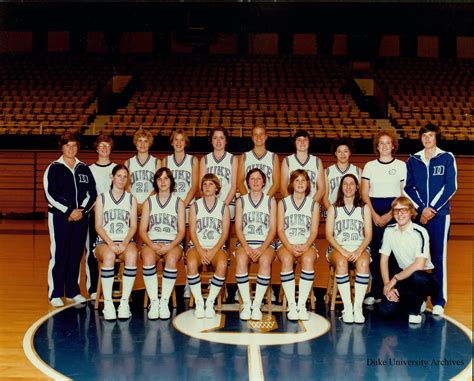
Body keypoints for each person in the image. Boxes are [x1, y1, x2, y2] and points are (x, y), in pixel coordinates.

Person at [404, 124, 457, 315]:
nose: (427, 139)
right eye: (424, 136)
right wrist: (421, 209)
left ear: (436, 137)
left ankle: (438, 301)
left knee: (438, 257)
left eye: (431, 135)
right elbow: (408, 188)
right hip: (418, 216)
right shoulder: (413, 160)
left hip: (440, 216)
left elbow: (450, 186)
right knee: (418, 258)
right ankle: (419, 299)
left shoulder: (447, 158)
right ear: (420, 139)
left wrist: (432, 209)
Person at [44, 132, 97, 307]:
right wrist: (68, 211)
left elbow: (92, 193)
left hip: (81, 217)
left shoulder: (84, 168)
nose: (71, 149)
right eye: (68, 145)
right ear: (62, 147)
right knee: (60, 254)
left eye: (74, 145)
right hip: (60, 218)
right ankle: (56, 292)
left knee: (76, 254)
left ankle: (73, 291)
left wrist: (81, 210)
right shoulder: (53, 168)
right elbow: (50, 195)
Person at [361, 130, 406, 305]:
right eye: (382, 143)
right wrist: (373, 214)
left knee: (393, 252)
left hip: (395, 210)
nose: (385, 146)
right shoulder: (370, 166)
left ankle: (394, 290)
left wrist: (390, 214)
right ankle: (376, 291)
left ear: (393, 146)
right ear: (377, 146)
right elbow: (364, 192)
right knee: (376, 252)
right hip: (373, 209)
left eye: (388, 143)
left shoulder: (401, 165)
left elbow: (403, 193)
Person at [378, 197, 438, 324]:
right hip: (404, 277)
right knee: (385, 310)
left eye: (404, 210)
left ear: (411, 212)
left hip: (425, 279)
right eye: (396, 210)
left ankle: (416, 309)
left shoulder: (420, 232)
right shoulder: (389, 231)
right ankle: (412, 301)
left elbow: (419, 265)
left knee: (417, 277)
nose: (400, 214)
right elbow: (383, 259)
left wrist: (394, 279)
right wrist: (387, 285)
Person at [139, 167, 185, 320]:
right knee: (147, 258)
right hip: (152, 243)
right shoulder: (149, 202)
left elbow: (181, 231)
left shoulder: (179, 202)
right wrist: (152, 245)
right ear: (156, 182)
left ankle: (164, 301)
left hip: (172, 243)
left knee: (171, 259)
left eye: (166, 178)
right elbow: (142, 230)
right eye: (159, 179)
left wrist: (169, 246)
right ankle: (154, 301)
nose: (163, 182)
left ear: (171, 181)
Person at [325, 174, 372, 323]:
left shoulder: (364, 208)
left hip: (360, 247)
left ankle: (357, 308)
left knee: (364, 263)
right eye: (345, 184)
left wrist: (358, 251)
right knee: (341, 263)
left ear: (357, 187)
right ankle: (347, 307)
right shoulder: (334, 208)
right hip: (338, 248)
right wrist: (343, 251)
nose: (349, 187)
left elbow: (369, 235)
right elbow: (329, 235)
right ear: (341, 187)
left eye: (352, 184)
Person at [94, 165, 138, 320]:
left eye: (125, 176)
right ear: (112, 177)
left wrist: (125, 243)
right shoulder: (102, 197)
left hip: (125, 240)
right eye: (119, 176)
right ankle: (108, 304)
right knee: (109, 257)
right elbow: (98, 226)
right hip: (104, 241)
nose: (122, 179)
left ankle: (124, 303)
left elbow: (133, 226)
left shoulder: (131, 198)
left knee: (132, 255)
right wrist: (110, 243)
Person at [234, 168, 277, 321]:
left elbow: (273, 229)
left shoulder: (271, 200)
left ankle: (257, 304)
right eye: (252, 179)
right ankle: (247, 303)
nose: (256, 182)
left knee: (265, 260)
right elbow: (238, 227)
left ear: (264, 182)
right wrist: (246, 247)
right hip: (246, 242)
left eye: (259, 179)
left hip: (265, 243)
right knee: (240, 259)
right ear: (247, 182)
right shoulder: (241, 201)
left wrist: (262, 248)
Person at [277, 169, 320, 321]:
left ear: (308, 184)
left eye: (303, 180)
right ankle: (292, 304)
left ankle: (301, 304)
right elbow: (280, 229)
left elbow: (314, 231)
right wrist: (290, 247)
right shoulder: (283, 203)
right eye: (297, 180)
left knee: (308, 260)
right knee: (287, 260)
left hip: (306, 244)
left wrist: (305, 246)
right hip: (286, 243)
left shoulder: (314, 204)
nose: (300, 183)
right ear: (291, 184)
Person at [186, 174, 230, 319]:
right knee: (191, 263)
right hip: (198, 246)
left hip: (216, 247)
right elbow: (192, 230)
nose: (207, 187)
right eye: (204, 184)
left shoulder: (223, 206)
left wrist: (212, 251)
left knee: (223, 264)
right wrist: (200, 250)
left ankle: (210, 301)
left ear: (217, 188)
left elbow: (224, 234)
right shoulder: (195, 205)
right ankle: (199, 302)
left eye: (211, 184)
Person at [163, 128, 199, 298]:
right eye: (175, 140)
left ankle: (188, 284)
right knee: (174, 244)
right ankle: (173, 283)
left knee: (189, 247)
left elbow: (194, 185)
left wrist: (183, 203)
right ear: (171, 142)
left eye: (181, 140)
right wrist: (174, 205)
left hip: (188, 206)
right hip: (171, 209)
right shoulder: (165, 160)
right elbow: (162, 184)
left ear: (186, 143)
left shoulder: (193, 161)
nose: (178, 143)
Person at [86, 135, 117, 299]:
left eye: (107, 146)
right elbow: (86, 194)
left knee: (115, 249)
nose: (104, 148)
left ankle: (114, 286)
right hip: (94, 216)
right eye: (101, 146)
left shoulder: (117, 169)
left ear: (111, 149)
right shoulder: (89, 169)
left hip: (113, 218)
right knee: (91, 251)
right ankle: (92, 288)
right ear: (96, 148)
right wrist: (94, 209)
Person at [200, 126, 238, 221]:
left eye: (221, 138)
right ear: (211, 141)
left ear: (226, 141)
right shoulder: (205, 159)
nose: (218, 141)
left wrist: (224, 206)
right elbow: (201, 186)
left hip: (228, 203)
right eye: (215, 138)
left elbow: (233, 186)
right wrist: (208, 204)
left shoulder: (233, 159)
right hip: (209, 203)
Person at [280, 130, 325, 203]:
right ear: (294, 143)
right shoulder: (287, 161)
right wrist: (292, 203)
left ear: (309, 143)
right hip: (292, 205)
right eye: (299, 140)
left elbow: (322, 189)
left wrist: (311, 204)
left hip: (311, 204)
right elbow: (283, 188)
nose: (302, 142)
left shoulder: (317, 161)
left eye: (305, 140)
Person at [124, 129, 160, 215]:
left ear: (149, 143)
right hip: (132, 204)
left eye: (145, 141)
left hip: (152, 204)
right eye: (140, 141)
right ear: (135, 143)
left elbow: (158, 186)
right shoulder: (128, 163)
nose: (142, 144)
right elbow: (126, 186)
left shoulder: (157, 162)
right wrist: (135, 203)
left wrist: (146, 204)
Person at [238, 126, 280, 197]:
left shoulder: (273, 157)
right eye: (255, 134)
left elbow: (276, 183)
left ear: (266, 137)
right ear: (252, 137)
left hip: (267, 199)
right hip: (248, 199)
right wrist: (247, 199)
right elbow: (239, 182)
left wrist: (266, 199)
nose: (258, 137)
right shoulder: (244, 156)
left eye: (261, 134)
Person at [323, 136, 362, 212]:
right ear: (335, 153)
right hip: (333, 211)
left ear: (350, 152)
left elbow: (360, 195)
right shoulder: (327, 171)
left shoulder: (358, 171)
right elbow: (325, 197)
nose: (342, 154)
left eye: (345, 151)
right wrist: (332, 212)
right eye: (339, 151)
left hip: (352, 212)